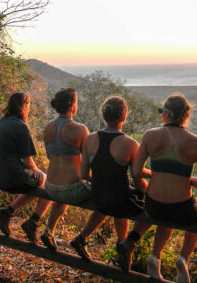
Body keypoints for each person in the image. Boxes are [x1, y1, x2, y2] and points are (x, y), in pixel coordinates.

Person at [122, 93, 197, 281]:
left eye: (161, 110)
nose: (160, 114)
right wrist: (187, 179)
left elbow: (136, 172)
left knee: (164, 216)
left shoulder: (150, 135)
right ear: (185, 116)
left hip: (154, 205)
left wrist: (156, 174)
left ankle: (155, 257)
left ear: (167, 114)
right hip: (181, 207)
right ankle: (183, 259)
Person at [70, 96, 150, 269]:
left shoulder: (90, 140)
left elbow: (84, 174)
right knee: (150, 209)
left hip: (99, 195)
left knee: (110, 203)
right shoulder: (130, 144)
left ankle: (83, 238)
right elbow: (138, 180)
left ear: (104, 115)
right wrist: (149, 192)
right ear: (124, 115)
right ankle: (124, 245)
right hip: (120, 198)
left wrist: (101, 182)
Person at [0, 92, 52, 244]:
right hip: (13, 177)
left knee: (39, 181)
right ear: (24, 106)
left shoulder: (2, 121)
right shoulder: (20, 126)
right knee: (48, 183)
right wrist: (40, 173)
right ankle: (33, 221)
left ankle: (9, 211)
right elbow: (28, 161)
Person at [41, 88, 90, 250]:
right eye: (76, 102)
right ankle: (83, 238)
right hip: (71, 190)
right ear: (71, 105)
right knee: (107, 197)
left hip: (50, 187)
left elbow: (50, 156)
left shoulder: (48, 127)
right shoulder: (80, 129)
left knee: (63, 192)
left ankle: (49, 230)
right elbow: (88, 162)